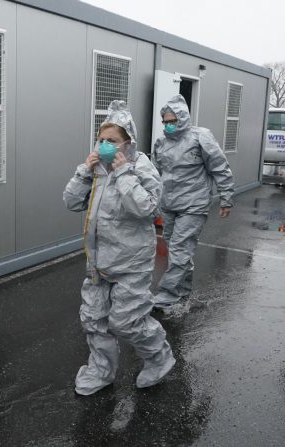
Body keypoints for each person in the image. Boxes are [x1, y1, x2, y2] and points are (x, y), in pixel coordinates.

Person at [63, 100, 175, 396]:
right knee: (95, 320)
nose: (103, 145)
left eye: (111, 141)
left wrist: (124, 173)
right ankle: (101, 371)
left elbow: (147, 209)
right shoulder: (95, 170)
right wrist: (83, 173)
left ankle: (159, 358)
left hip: (131, 263)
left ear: (127, 143)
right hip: (98, 262)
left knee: (126, 321)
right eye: (100, 140)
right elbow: (72, 203)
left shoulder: (141, 168)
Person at [152, 94, 235, 313]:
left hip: (194, 203)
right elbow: (155, 173)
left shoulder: (200, 137)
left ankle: (166, 295)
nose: (169, 125)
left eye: (172, 121)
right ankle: (182, 292)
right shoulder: (161, 142)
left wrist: (226, 196)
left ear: (182, 118)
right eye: (165, 122)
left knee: (180, 249)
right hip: (169, 203)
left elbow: (219, 166)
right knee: (178, 250)